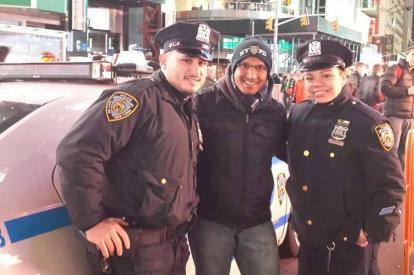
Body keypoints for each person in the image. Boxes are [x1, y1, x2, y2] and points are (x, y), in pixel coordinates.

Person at [56, 21, 218, 275]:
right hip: (136, 253)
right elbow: (78, 152)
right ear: (163, 59)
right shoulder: (137, 99)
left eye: (202, 63)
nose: (196, 71)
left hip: (173, 247)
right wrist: (92, 222)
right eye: (187, 60)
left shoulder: (184, 106)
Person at [287, 39, 405, 275]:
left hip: (350, 245)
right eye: (310, 78)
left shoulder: (368, 122)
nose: (316, 84)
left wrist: (370, 231)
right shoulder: (298, 113)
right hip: (311, 240)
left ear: (343, 75)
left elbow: (391, 188)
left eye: (326, 76)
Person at [188, 36, 287, 275]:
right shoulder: (202, 103)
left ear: (268, 72)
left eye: (260, 67)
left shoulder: (275, 112)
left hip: (257, 221)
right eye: (245, 65)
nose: (251, 75)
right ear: (233, 67)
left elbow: (295, 155)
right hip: (210, 221)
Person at [381, 45, 414, 169]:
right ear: (407, 55)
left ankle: (400, 179)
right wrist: (407, 91)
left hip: (411, 117)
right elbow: (385, 88)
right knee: (391, 149)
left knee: (406, 151)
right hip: (395, 116)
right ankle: (387, 176)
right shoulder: (396, 69)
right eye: (413, 55)